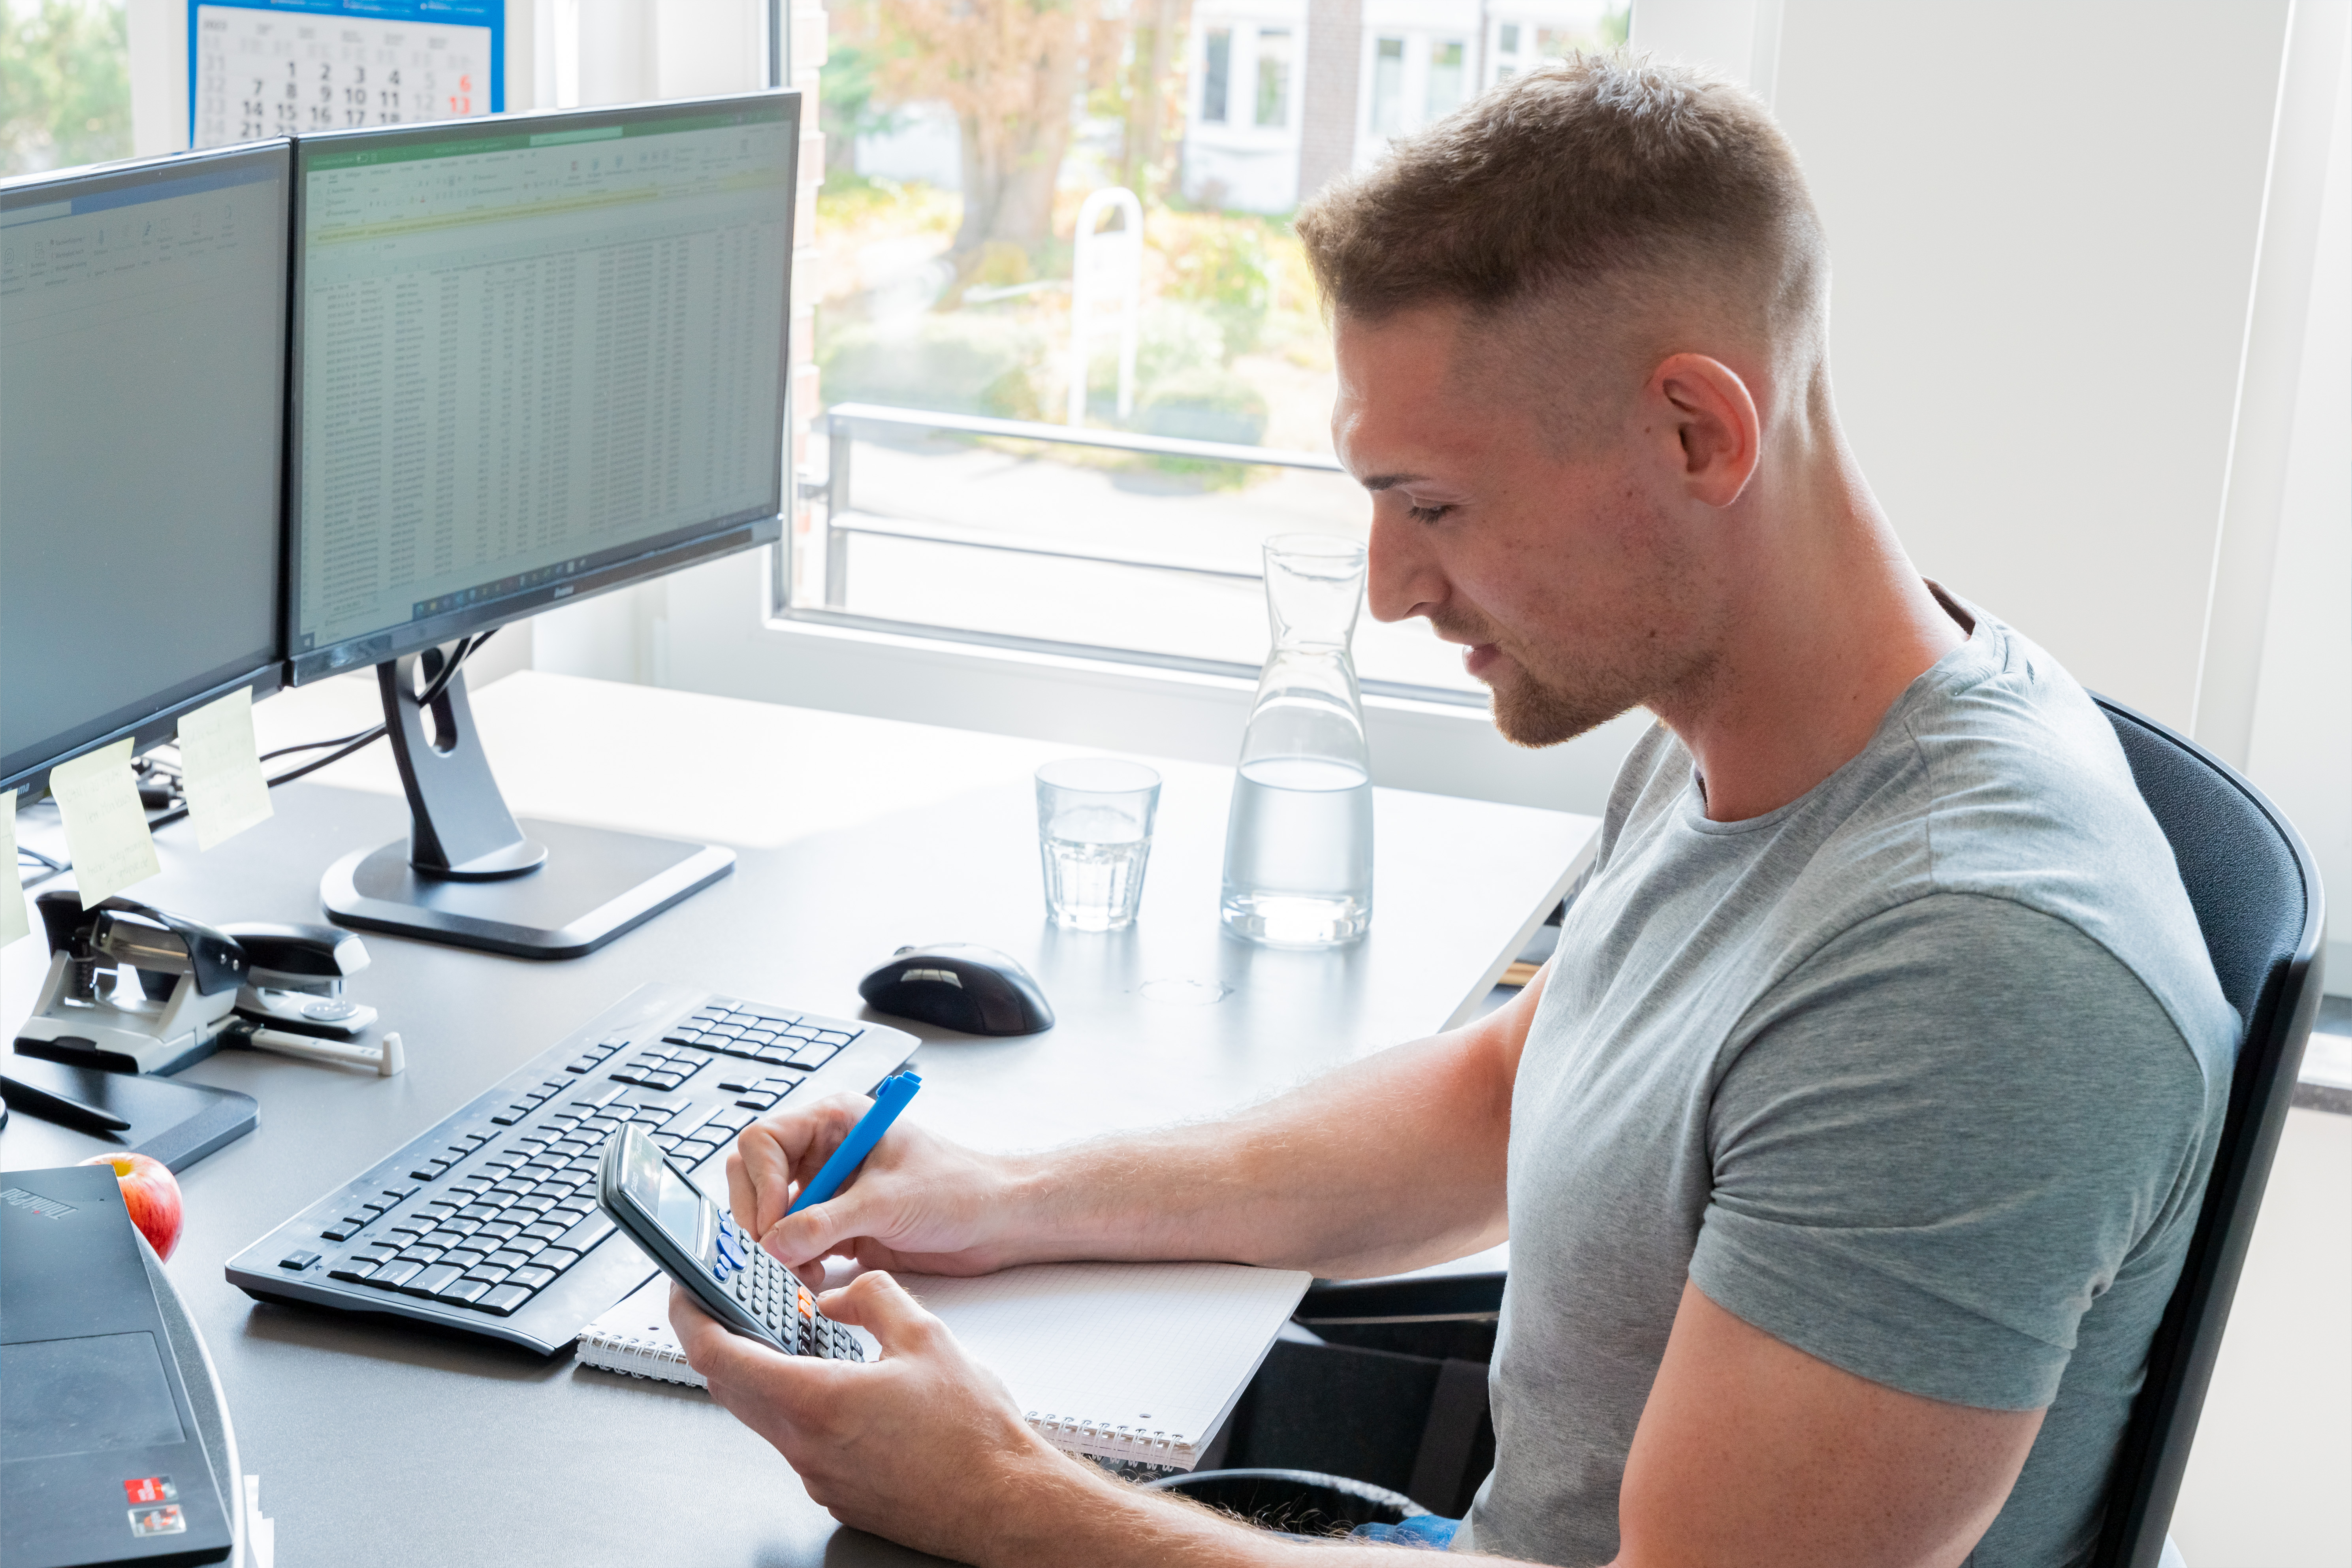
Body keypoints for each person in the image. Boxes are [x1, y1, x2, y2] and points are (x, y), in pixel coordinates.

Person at [670, 52, 2239, 1568]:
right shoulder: (1760, 725)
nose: (1391, 589)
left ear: (1698, 433)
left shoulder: (1974, 978)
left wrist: (1008, 1498)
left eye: (1433, 508)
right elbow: (1511, 1090)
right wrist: (1002, 1195)